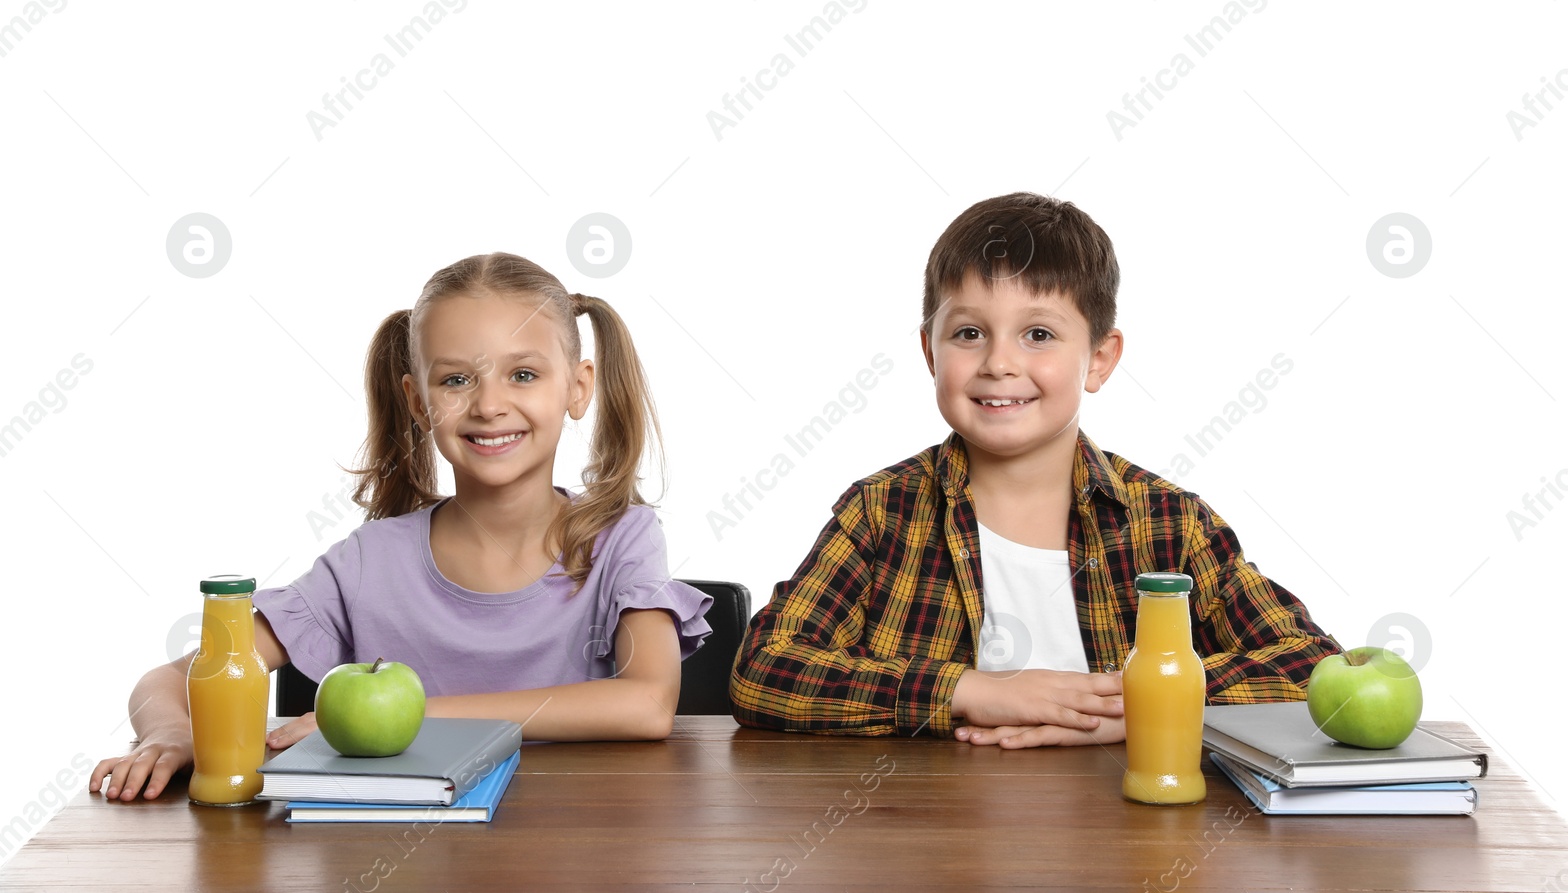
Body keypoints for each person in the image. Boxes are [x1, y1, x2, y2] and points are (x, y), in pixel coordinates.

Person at [730, 193, 1341, 749]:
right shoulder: (882, 512)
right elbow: (765, 669)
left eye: (1038, 334)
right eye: (969, 332)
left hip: (1125, 847)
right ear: (929, 351)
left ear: (1099, 360)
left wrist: (1148, 701)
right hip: (931, 843)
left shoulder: (1168, 524)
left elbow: (1311, 666)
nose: (999, 362)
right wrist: (970, 692)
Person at [94, 252, 711, 801]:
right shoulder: (367, 564)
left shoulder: (622, 538)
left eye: (523, 374)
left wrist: (420, 717)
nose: (489, 404)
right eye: (455, 380)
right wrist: (172, 732)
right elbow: (168, 679)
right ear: (419, 402)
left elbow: (647, 703)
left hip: (579, 848)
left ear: (578, 389)